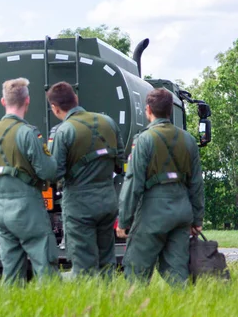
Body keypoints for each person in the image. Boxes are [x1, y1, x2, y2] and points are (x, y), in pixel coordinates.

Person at [116, 88, 204, 285]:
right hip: (182, 211)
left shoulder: (144, 139)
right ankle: (182, 312)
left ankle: (137, 312)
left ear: (148, 110)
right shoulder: (188, 140)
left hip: (152, 212)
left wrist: (124, 220)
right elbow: (196, 183)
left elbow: (133, 183)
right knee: (177, 273)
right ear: (169, 111)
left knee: (135, 271)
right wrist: (197, 218)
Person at [0, 77, 58, 284]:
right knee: (45, 265)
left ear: (3, 101)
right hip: (26, 207)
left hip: (0, 208)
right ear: (27, 101)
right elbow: (48, 172)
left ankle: (12, 311)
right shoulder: (27, 133)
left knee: (11, 270)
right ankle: (54, 311)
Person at [47, 81, 125, 277]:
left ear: (55, 108)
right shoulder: (108, 123)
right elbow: (120, 162)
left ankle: (88, 306)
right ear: (76, 99)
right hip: (107, 201)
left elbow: (55, 173)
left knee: (83, 267)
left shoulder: (64, 131)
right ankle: (109, 302)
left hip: (79, 205)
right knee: (106, 260)